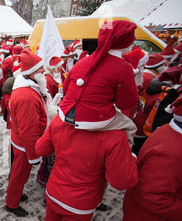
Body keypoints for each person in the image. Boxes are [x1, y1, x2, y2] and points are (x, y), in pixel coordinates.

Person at [35, 97, 139, 221]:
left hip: (54, 189)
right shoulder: (115, 136)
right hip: (80, 201)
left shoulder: (60, 121)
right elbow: (121, 181)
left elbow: (41, 148)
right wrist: (132, 160)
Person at [88, 97, 182, 221]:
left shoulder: (170, 135)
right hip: (148, 219)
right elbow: (152, 195)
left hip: (146, 215)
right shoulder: (173, 151)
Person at [58, 20, 139, 148]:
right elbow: (126, 103)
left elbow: (67, 88)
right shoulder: (123, 67)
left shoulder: (82, 61)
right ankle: (127, 155)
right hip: (94, 119)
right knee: (129, 127)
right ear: (124, 43)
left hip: (65, 112)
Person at [5, 49, 48, 217]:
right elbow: (28, 130)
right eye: (40, 69)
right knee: (19, 175)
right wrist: (34, 154)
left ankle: (14, 195)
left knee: (19, 174)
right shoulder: (26, 96)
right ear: (31, 73)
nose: (43, 71)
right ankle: (12, 203)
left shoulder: (27, 86)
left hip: (22, 142)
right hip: (24, 145)